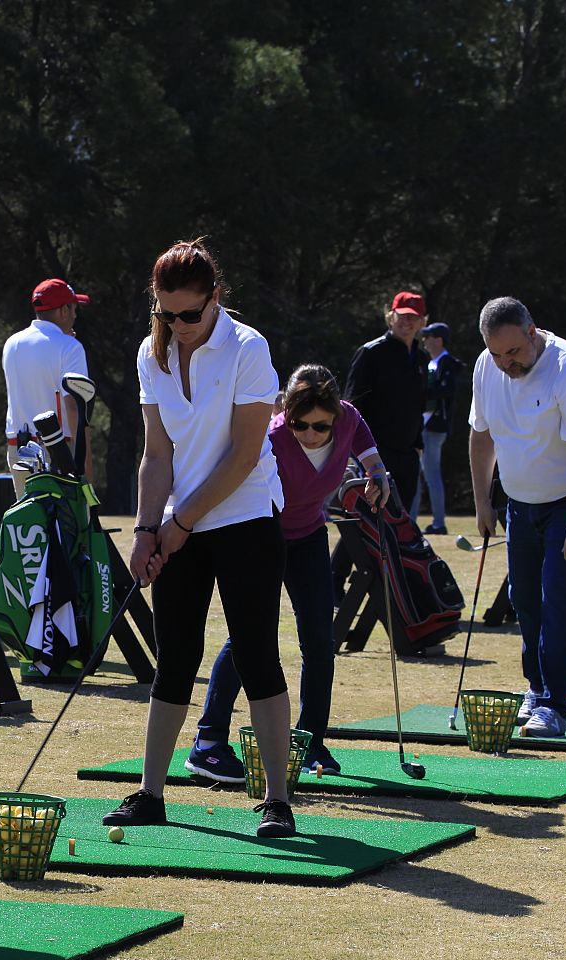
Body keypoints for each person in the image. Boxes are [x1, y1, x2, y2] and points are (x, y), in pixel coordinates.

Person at [105, 239, 295, 838]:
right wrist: (143, 531)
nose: (180, 326)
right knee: (175, 659)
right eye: (167, 313)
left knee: (257, 655)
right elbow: (156, 453)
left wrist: (179, 524)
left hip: (244, 518)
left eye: (191, 313)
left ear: (216, 298)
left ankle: (278, 802)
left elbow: (243, 456)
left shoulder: (248, 347)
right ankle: (151, 793)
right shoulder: (150, 352)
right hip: (175, 522)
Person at [185, 366, 389, 782]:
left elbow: (361, 432)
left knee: (320, 639)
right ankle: (208, 743)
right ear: (285, 412)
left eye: (320, 426)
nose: (311, 434)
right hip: (261, 533)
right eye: (300, 424)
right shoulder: (271, 437)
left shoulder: (347, 417)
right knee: (250, 635)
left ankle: (312, 742)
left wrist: (376, 469)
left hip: (309, 535)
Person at [468, 297, 566, 737]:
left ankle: (554, 704)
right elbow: (481, 435)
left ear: (532, 332)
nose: (504, 364)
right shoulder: (486, 366)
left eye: (512, 352)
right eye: (496, 353)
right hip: (520, 499)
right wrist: (482, 502)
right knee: (523, 597)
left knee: (558, 595)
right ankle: (535, 688)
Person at [0, 278, 91, 496]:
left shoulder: (12, 343)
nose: (76, 315)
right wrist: (87, 466)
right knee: (70, 525)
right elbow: (74, 408)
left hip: (18, 449)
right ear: (63, 311)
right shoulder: (71, 347)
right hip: (59, 450)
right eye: (74, 308)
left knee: (31, 523)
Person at [344, 291, 428, 513]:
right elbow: (352, 408)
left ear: (422, 321)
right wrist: (362, 455)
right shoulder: (371, 353)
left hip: (408, 455)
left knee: (402, 523)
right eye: (401, 316)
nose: (406, 322)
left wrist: (418, 445)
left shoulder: (421, 359)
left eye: (412, 317)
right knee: (371, 521)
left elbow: (418, 405)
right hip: (376, 456)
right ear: (391, 317)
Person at [417, 321, 464, 534]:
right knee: (418, 474)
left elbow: (444, 391)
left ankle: (439, 523)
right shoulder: (431, 363)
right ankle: (410, 520)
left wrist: (422, 391)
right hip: (423, 426)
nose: (425, 341)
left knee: (431, 475)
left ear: (439, 340)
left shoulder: (446, 363)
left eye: (429, 336)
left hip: (434, 428)